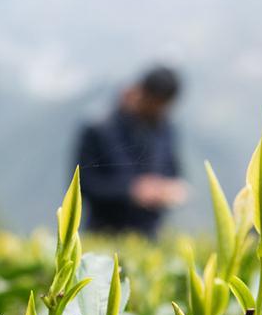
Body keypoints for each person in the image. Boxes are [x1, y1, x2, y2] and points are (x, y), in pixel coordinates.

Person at [75, 66, 187, 237]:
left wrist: (167, 189)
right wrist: (131, 190)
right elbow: (82, 184)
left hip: (149, 236)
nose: (158, 111)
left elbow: (173, 170)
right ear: (142, 92)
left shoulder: (165, 129)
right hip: (104, 234)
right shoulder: (99, 128)